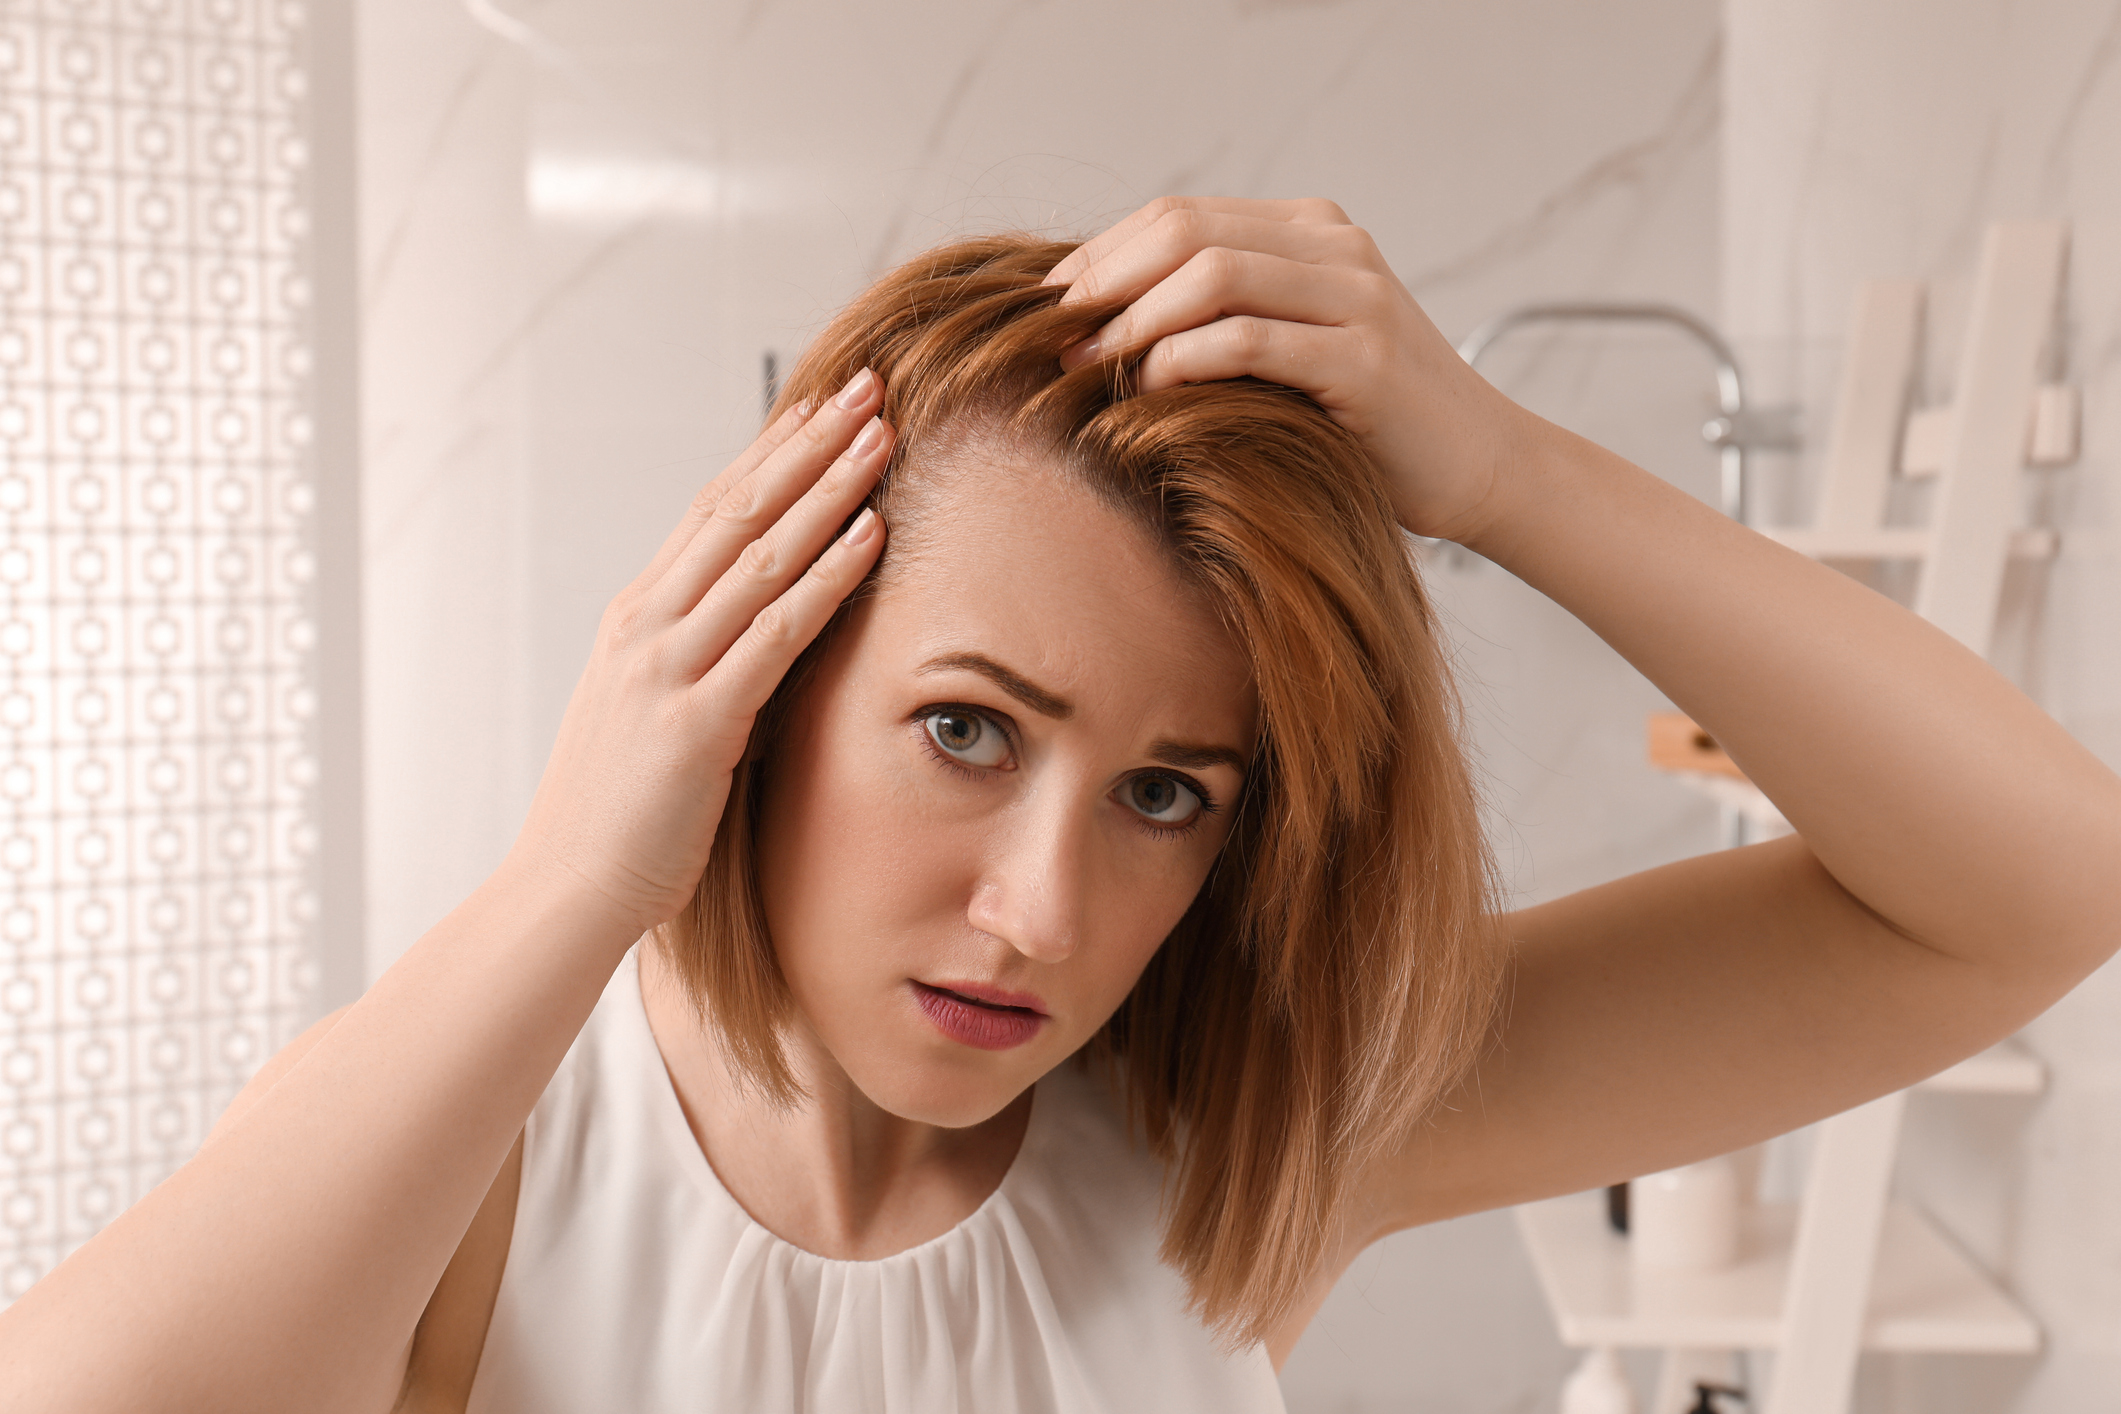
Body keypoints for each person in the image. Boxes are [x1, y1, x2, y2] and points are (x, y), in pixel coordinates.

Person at [2, 198, 2115, 1413]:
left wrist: (1499, 474)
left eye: (1168, 790)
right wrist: (576, 869)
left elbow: (2026, 889)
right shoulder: (482, 1158)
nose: (1039, 906)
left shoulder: (1236, 1144)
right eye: (968, 729)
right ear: (768, 667)